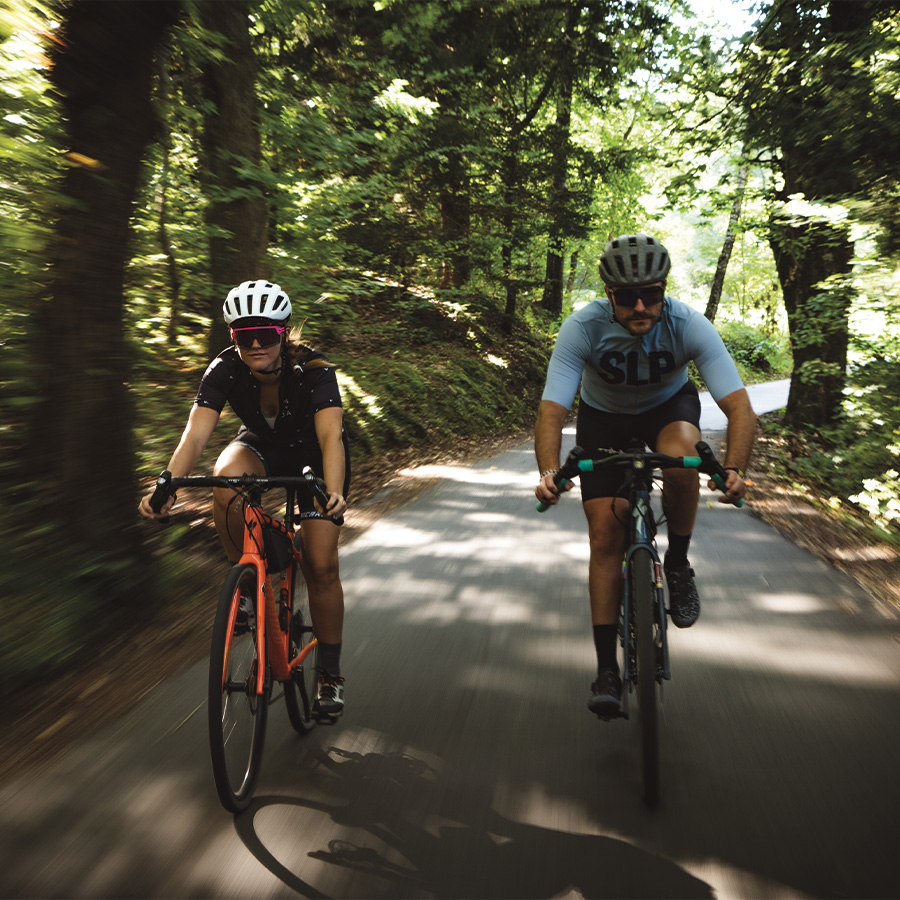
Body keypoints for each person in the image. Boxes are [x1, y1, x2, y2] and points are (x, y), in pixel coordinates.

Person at [534, 234, 756, 719]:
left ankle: (676, 563)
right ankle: (606, 670)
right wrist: (549, 470)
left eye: (651, 294)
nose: (640, 305)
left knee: (682, 454)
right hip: (603, 419)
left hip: (667, 410)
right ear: (608, 295)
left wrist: (734, 468)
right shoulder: (583, 327)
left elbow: (739, 406)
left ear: (664, 290)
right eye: (627, 296)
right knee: (603, 537)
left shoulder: (688, 324)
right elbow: (552, 409)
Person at [139, 280, 350, 721]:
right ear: (232, 336)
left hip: (313, 454)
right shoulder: (224, 368)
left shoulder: (314, 369)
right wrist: (168, 484)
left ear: (284, 332)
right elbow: (196, 433)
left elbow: (331, 435)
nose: (255, 343)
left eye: (267, 334)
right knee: (225, 477)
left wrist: (333, 491)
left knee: (322, 564)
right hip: (261, 445)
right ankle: (250, 583)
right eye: (243, 334)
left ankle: (329, 675)